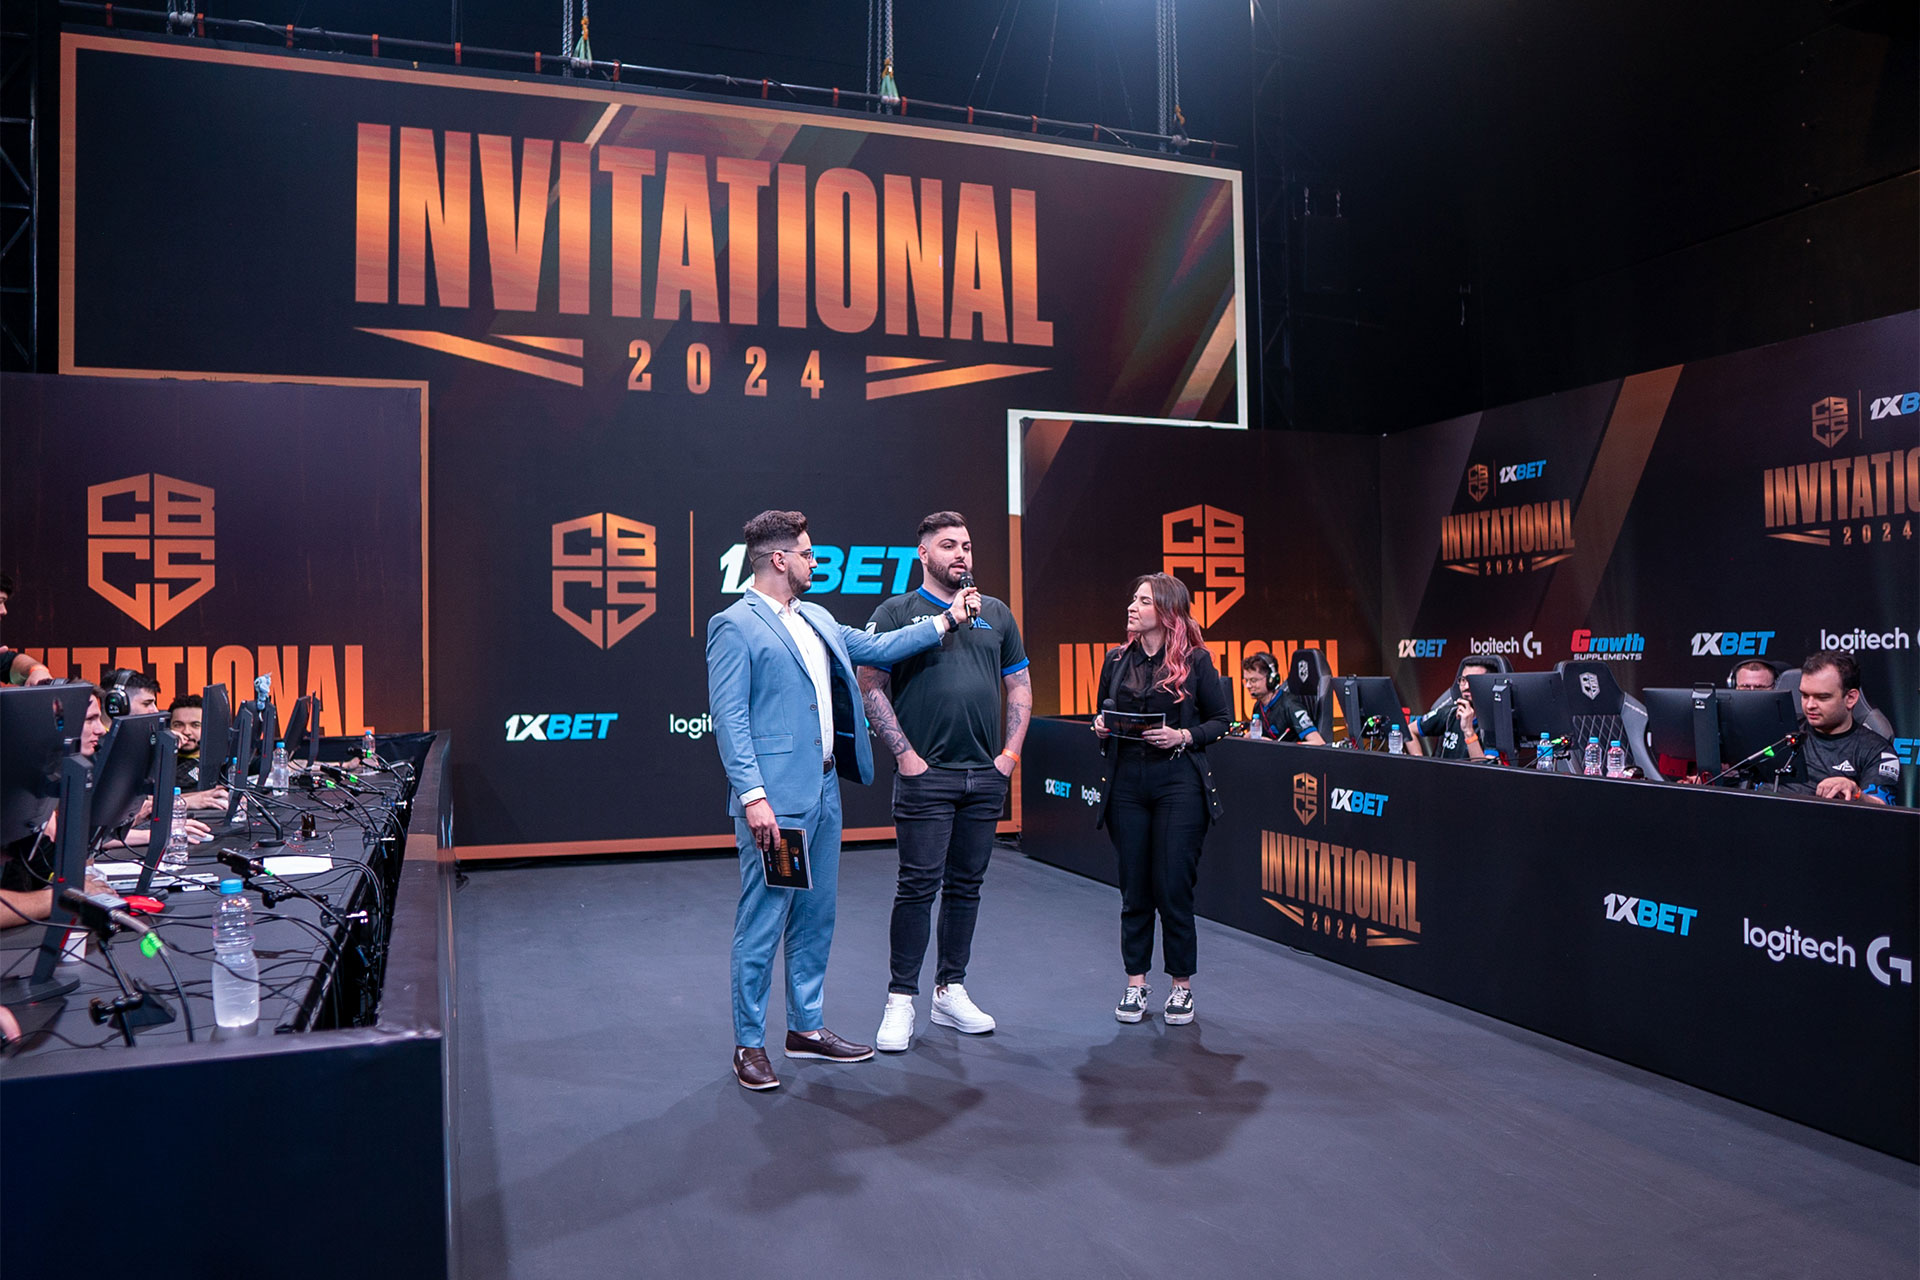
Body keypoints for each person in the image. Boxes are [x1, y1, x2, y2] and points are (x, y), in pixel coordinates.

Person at [707, 509, 978, 1091]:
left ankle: (805, 1029)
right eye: (807, 555)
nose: (815, 562)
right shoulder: (735, 625)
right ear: (779, 559)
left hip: (825, 791)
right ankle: (748, 1044)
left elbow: (879, 646)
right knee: (764, 920)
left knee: (816, 916)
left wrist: (945, 621)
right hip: (777, 804)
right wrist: (753, 797)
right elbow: (729, 719)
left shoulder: (818, 617)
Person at [858, 511, 1032, 1052]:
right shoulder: (897, 612)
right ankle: (900, 999)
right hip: (926, 777)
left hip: (985, 776)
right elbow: (870, 686)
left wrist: (1008, 756)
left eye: (967, 546)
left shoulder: (995, 613)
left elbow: (1020, 685)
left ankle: (949, 989)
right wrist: (906, 756)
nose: (961, 554)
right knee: (917, 887)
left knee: (966, 887)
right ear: (924, 554)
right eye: (949, 545)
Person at [1090, 573, 1231, 1026]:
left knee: (1172, 887)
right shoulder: (1116, 660)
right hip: (1126, 783)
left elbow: (1222, 720)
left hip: (1178, 783)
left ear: (1167, 612)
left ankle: (1180, 986)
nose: (1132, 607)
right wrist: (1101, 726)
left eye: (1143, 601)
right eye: (1133, 599)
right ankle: (1136, 983)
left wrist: (1183, 735)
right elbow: (1103, 712)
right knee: (1134, 889)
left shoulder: (1196, 661)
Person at [1789, 651, 1901, 805]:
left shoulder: (1876, 750)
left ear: (1850, 698)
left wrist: (1856, 793)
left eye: (1822, 697)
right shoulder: (1782, 732)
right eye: (1805, 695)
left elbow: (1883, 807)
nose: (1809, 705)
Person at [1409, 660, 1494, 761]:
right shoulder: (1450, 713)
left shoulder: (1495, 725)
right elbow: (1409, 730)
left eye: (1473, 681)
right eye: (1463, 680)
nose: (1466, 686)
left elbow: (1485, 769)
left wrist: (1468, 732)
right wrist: (1418, 762)